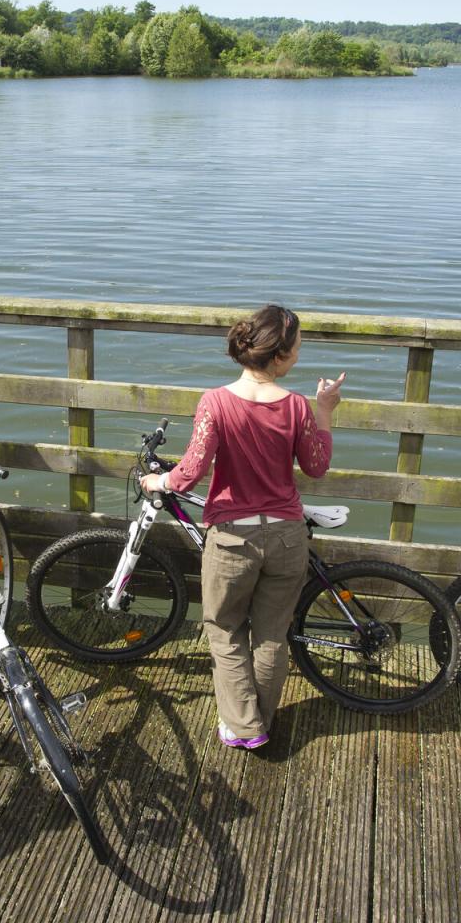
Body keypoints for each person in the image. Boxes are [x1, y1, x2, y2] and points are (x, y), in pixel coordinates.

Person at [141, 305, 345, 750]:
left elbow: (189, 473)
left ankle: (243, 727)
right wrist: (325, 410)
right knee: (272, 633)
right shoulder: (295, 407)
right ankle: (257, 721)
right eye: (297, 347)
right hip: (287, 535)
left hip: (234, 538)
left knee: (225, 627)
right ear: (281, 358)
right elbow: (316, 466)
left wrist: (157, 480)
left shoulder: (215, 402)